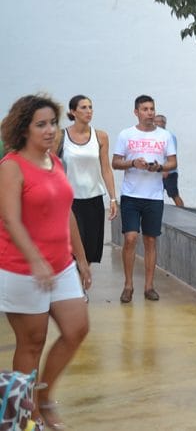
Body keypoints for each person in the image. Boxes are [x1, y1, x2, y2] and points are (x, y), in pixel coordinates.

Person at [0, 94, 91, 429]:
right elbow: (10, 219)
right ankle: (22, 415)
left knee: (77, 328)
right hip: (22, 268)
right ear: (24, 130)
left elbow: (66, 211)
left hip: (61, 264)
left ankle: (43, 398)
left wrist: (80, 259)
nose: (50, 130)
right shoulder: (11, 166)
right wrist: (35, 260)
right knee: (32, 342)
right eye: (41, 124)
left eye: (53, 122)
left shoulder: (56, 162)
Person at [111, 95, 176, 303]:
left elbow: (172, 163)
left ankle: (149, 286)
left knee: (150, 240)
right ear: (136, 112)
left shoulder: (164, 136)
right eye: (145, 109)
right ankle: (128, 285)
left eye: (152, 109)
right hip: (131, 195)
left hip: (154, 195)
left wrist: (159, 167)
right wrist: (132, 163)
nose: (150, 113)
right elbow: (115, 162)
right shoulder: (125, 134)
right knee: (130, 238)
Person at [55, 95, 118, 268]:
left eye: (90, 107)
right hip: (70, 201)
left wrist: (113, 198)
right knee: (73, 247)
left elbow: (106, 168)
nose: (88, 111)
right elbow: (51, 167)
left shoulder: (101, 136)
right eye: (83, 107)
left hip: (94, 199)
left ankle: (83, 288)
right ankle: (75, 289)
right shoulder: (60, 137)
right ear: (73, 112)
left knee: (90, 247)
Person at [154, 114, 185, 207]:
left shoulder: (170, 137)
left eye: (158, 122)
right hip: (157, 172)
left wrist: (166, 170)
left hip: (169, 173)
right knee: (156, 195)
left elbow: (171, 155)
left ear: (164, 123)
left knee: (174, 194)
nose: (155, 124)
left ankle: (183, 213)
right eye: (154, 122)